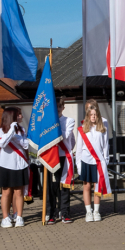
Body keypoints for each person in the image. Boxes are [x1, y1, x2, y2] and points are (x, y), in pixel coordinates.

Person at [74, 100, 111, 221]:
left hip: (98, 161)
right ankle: (88, 212)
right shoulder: (83, 129)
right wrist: (78, 165)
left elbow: (105, 145)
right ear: (88, 115)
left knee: (97, 186)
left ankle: (96, 211)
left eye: (95, 114)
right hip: (86, 160)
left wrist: (106, 159)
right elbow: (79, 149)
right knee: (86, 186)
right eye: (91, 114)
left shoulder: (103, 127)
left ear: (97, 114)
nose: (93, 116)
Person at [0, 107, 30, 228]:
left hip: (19, 164)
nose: (21, 116)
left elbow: (26, 145)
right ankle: (5, 217)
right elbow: (1, 144)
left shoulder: (22, 129)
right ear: (12, 116)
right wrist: (11, 131)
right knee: (6, 192)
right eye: (19, 114)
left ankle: (19, 216)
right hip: (6, 165)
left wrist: (17, 134)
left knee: (19, 192)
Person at [47, 96, 77, 224]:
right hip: (51, 157)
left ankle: (65, 213)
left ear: (63, 108)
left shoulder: (69, 120)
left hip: (64, 156)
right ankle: (52, 213)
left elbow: (65, 136)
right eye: (55, 106)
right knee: (52, 187)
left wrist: (52, 126)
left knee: (64, 186)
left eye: (59, 106)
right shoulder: (47, 122)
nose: (57, 109)